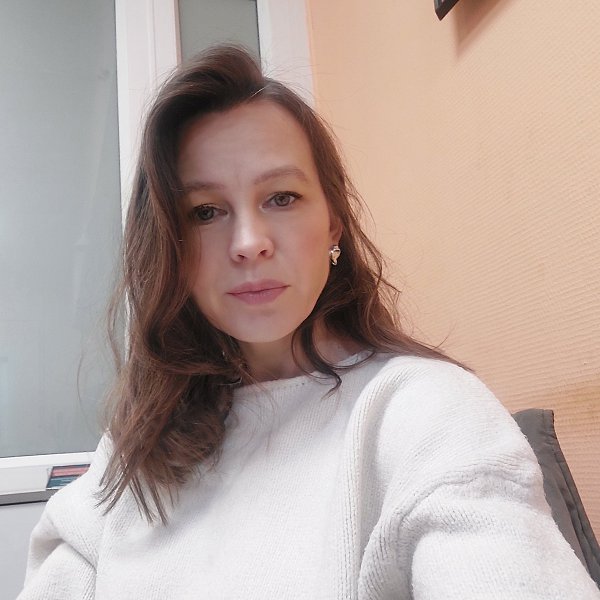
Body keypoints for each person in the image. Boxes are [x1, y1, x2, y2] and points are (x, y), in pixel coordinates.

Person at [18, 45, 600, 600]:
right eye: (206, 212)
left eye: (282, 198)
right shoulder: (137, 442)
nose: (249, 243)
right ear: (171, 247)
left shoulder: (422, 411)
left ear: (333, 224)